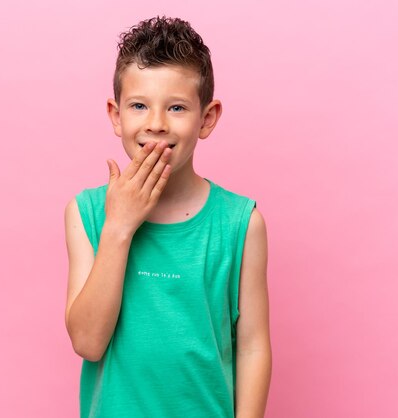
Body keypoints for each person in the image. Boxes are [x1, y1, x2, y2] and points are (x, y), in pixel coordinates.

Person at [64, 15, 271, 418]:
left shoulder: (240, 223)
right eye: (139, 105)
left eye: (176, 107)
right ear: (116, 114)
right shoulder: (86, 213)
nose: (156, 124)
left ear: (206, 118)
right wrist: (119, 227)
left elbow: (252, 346)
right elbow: (88, 342)